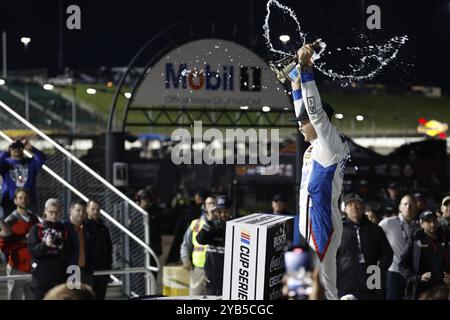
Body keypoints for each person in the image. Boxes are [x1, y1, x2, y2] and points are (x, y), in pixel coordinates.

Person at [290, 43, 350, 300]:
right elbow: (304, 112)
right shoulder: (317, 142)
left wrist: (306, 70)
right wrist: (295, 85)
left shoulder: (330, 141)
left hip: (322, 222)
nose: (300, 129)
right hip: (308, 223)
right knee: (304, 289)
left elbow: (312, 113)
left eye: (302, 125)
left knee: (326, 290)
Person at [337, 194, 393, 300]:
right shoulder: (339, 230)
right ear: (345, 208)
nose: (354, 207)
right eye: (350, 204)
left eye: (357, 204)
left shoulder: (376, 230)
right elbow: (332, 257)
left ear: (363, 207)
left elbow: (388, 254)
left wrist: (378, 272)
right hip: (345, 284)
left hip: (371, 284)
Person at [28, 198, 74, 300]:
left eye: (57, 212)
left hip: (60, 276)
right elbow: (32, 252)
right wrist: (45, 244)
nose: (54, 215)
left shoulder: (64, 229)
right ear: (45, 211)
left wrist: (61, 246)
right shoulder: (36, 229)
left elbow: (71, 253)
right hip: (41, 277)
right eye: (51, 212)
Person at [399, 210, 450, 299]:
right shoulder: (415, 241)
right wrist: (418, 278)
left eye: (434, 220)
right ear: (421, 224)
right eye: (428, 221)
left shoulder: (446, 239)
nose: (432, 224)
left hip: (443, 290)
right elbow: (402, 265)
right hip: (422, 290)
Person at [0, 188, 39, 299]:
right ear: (15, 201)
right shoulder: (9, 221)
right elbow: (3, 247)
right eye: (20, 198)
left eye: (26, 197)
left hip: (32, 267)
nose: (23, 200)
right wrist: (22, 242)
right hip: (16, 268)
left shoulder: (34, 219)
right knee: (14, 297)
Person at [379, 194, 420, 300]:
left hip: (412, 273)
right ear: (400, 207)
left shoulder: (419, 226)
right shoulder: (388, 222)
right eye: (405, 204)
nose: (408, 207)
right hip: (394, 271)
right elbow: (375, 240)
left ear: (416, 207)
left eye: (411, 204)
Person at [0, 139, 46, 216]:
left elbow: (42, 158)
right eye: (14, 147)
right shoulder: (6, 163)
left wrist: (32, 148)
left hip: (28, 201)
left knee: (30, 225)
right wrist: (6, 151)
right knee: (9, 225)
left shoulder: (31, 163)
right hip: (10, 201)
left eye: (19, 147)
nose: (16, 149)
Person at [196, 195, 232, 296]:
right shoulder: (211, 225)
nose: (223, 214)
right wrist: (210, 219)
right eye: (219, 211)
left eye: (226, 211)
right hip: (212, 275)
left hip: (230, 275)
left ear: (230, 210)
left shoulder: (237, 226)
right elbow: (200, 240)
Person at [180, 196, 215, 296]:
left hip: (215, 270)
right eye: (208, 203)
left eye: (213, 203)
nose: (211, 205)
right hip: (198, 269)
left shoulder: (220, 224)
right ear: (204, 206)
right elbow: (186, 244)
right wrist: (185, 259)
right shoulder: (196, 224)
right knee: (195, 297)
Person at [84, 199, 112, 300]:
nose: (96, 212)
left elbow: (108, 248)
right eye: (93, 209)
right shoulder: (82, 227)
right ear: (87, 209)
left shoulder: (103, 228)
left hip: (103, 272)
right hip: (88, 273)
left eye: (98, 209)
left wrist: (108, 267)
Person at [65, 200, 94, 286]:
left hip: (86, 270)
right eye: (78, 210)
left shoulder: (87, 228)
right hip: (71, 270)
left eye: (83, 211)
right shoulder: (63, 227)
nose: (81, 213)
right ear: (71, 211)